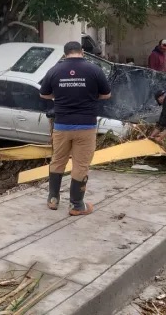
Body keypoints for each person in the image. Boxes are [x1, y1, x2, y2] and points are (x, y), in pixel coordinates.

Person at [39, 41, 111, 216]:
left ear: (65, 54)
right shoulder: (94, 70)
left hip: (62, 125)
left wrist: (60, 96)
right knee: (80, 164)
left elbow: (43, 93)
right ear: (83, 52)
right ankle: (77, 205)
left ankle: (53, 199)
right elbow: (107, 94)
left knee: (58, 160)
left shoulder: (55, 70)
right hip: (86, 126)